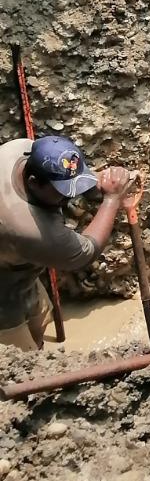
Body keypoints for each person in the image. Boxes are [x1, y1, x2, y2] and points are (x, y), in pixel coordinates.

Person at [0, 134, 137, 350]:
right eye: (63, 192)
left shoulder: (18, 150)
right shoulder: (29, 229)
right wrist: (111, 200)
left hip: (18, 271)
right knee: (22, 365)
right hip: (3, 298)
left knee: (39, 320)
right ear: (33, 182)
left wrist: (98, 179)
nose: (69, 198)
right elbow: (85, 251)